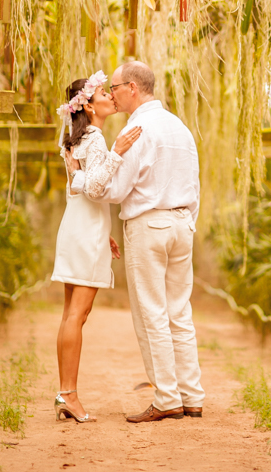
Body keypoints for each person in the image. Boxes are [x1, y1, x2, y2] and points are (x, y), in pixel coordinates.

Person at [86, 60, 205, 423]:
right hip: (182, 224)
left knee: (151, 312)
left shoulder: (136, 129)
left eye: (115, 88)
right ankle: (192, 396)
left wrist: (96, 176)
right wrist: (188, 221)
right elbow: (195, 184)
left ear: (133, 88)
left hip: (148, 225)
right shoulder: (180, 127)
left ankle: (167, 399)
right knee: (179, 312)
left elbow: (116, 190)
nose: (112, 95)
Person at [50, 72, 141, 423]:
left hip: (80, 227)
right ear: (88, 106)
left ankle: (65, 392)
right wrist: (117, 152)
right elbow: (95, 188)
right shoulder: (96, 139)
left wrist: (105, 231)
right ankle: (69, 394)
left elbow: (80, 189)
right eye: (103, 93)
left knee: (70, 315)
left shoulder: (80, 140)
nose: (110, 97)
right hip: (84, 233)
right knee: (78, 314)